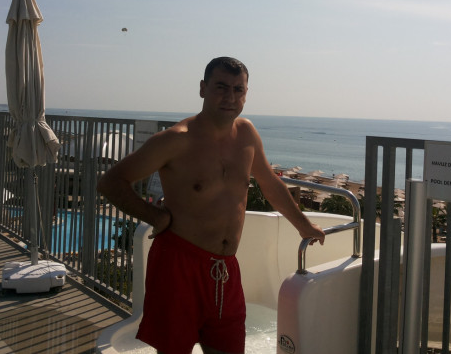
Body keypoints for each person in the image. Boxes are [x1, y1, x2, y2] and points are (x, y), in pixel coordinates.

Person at [97, 56, 325, 354]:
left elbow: (270, 184)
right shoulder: (175, 140)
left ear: (246, 94)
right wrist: (155, 216)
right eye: (221, 87)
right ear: (203, 88)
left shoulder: (247, 134)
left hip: (226, 270)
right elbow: (111, 182)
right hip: (178, 266)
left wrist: (303, 225)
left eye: (238, 89)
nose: (230, 97)